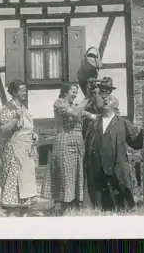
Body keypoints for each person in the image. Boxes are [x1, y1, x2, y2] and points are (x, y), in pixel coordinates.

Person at [83, 77, 144, 212]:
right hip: (98, 171)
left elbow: (135, 143)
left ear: (114, 103)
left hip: (117, 169)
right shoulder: (93, 124)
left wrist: (143, 135)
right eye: (103, 98)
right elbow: (88, 145)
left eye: (109, 98)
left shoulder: (122, 123)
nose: (106, 99)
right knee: (101, 207)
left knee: (122, 205)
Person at [41, 83, 96, 214]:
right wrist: (86, 98)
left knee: (77, 173)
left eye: (77, 92)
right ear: (65, 92)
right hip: (64, 140)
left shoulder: (76, 106)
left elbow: (91, 115)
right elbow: (74, 113)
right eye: (73, 91)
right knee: (65, 173)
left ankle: (74, 204)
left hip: (78, 143)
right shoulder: (59, 103)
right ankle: (62, 205)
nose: (75, 94)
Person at [0, 79, 39, 216]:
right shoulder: (8, 108)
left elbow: (27, 128)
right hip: (15, 151)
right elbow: (4, 129)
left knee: (26, 185)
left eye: (25, 90)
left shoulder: (24, 108)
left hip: (26, 151)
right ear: (15, 92)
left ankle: (24, 216)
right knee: (14, 182)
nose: (25, 93)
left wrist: (34, 135)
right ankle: (11, 217)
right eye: (22, 90)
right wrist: (15, 119)